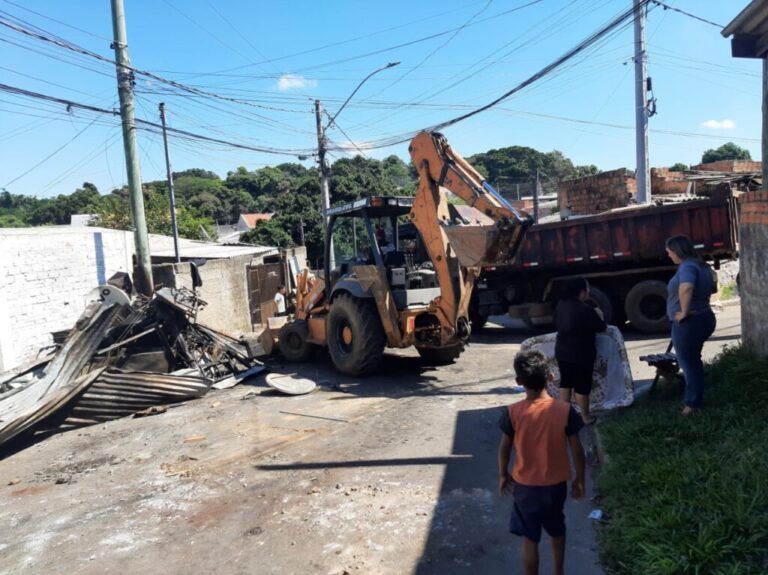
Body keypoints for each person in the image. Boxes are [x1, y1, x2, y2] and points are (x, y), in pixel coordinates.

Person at [498, 350, 586, 575]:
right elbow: (577, 449)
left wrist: (503, 474)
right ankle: (558, 571)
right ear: (551, 377)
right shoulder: (565, 411)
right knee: (557, 529)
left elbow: (504, 447)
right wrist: (580, 479)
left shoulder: (513, 412)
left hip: (525, 487)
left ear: (518, 382)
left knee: (530, 538)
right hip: (555, 486)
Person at [665, 234, 717, 415]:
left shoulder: (687, 266)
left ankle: (692, 405)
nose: (668, 255)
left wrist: (684, 311)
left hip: (690, 322)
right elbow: (713, 287)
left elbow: (687, 287)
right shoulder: (702, 265)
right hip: (704, 316)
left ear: (677, 250)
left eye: (669, 251)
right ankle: (695, 398)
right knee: (693, 361)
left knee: (688, 363)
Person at [555, 277, 606, 425]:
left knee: (565, 383)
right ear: (582, 292)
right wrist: (599, 314)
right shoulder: (586, 310)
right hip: (581, 354)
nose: (588, 292)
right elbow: (601, 327)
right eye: (587, 289)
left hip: (562, 352)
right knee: (581, 387)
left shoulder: (560, 305)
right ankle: (586, 416)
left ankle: (563, 417)